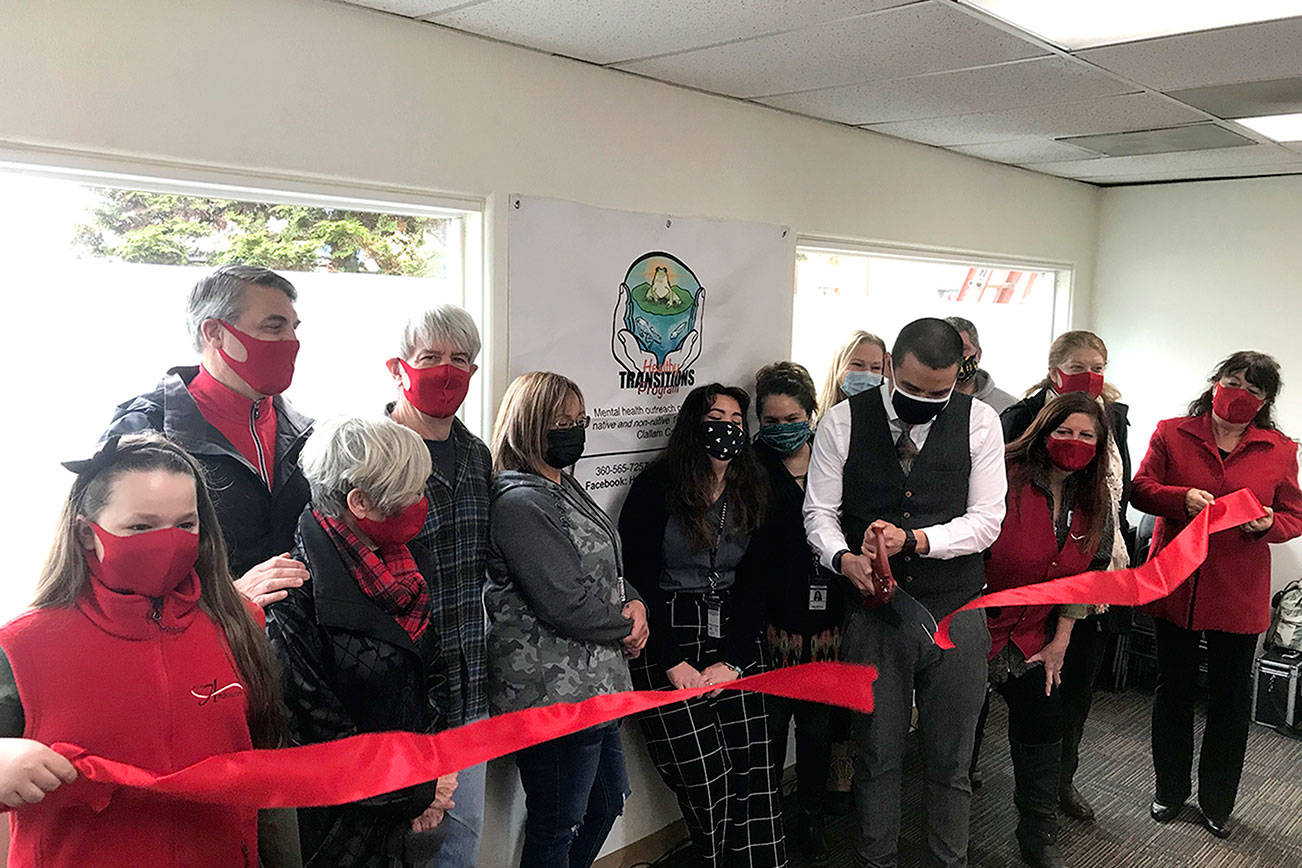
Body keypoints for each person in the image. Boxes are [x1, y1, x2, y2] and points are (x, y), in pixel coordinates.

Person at [0, 433, 293, 866]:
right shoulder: (23, 646)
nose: (169, 541)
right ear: (86, 533)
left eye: (185, 525)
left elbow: (266, 774)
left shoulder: (239, 626)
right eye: (140, 526)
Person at [804, 317, 1006, 868]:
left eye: (939, 393)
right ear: (891, 365)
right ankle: (876, 860)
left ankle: (948, 861)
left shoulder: (981, 422)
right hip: (875, 615)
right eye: (913, 389)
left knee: (950, 761)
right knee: (877, 753)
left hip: (957, 608)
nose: (925, 402)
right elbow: (819, 512)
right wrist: (842, 558)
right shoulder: (843, 422)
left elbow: (987, 521)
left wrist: (916, 540)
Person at [267, 416, 456, 867]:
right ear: (360, 502)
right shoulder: (294, 599)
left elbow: (432, 676)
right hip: (343, 831)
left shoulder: (409, 563)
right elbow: (322, 738)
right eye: (410, 492)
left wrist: (433, 770)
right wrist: (422, 791)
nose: (421, 502)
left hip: (408, 809)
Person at [1133, 351, 1302, 839]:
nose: (1239, 394)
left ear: (1266, 400)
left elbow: (1294, 514)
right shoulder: (1172, 431)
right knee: (1173, 692)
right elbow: (1141, 489)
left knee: (1229, 700)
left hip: (1238, 587)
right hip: (1177, 581)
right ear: (1214, 382)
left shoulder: (1280, 449)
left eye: (1253, 389)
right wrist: (1179, 499)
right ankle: (1168, 790)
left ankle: (1217, 802)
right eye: (1232, 381)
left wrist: (1270, 523)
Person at [485, 371, 649, 868]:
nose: (575, 431)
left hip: (594, 684)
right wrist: (628, 625)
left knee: (604, 803)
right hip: (553, 694)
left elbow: (606, 565)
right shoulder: (520, 501)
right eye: (561, 421)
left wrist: (636, 603)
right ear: (530, 423)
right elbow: (565, 602)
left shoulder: (563, 485)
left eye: (580, 420)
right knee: (557, 825)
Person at [620, 384, 785, 867]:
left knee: (753, 767)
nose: (727, 428)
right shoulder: (658, 486)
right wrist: (672, 662)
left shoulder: (752, 486)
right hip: (666, 634)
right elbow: (638, 578)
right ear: (694, 425)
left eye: (736, 420)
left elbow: (759, 580)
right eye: (716, 417)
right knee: (706, 774)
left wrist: (732, 661)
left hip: (733, 632)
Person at [104, 264, 313, 610]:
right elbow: (114, 573)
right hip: (195, 644)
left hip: (292, 653)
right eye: (273, 327)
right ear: (215, 333)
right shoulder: (146, 432)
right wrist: (231, 598)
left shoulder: (303, 431)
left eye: (293, 327)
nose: (291, 341)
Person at [998, 329, 1132, 821]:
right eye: (1080, 364)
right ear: (1055, 367)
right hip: (1024, 584)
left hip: (1095, 566)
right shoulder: (1021, 417)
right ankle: (976, 778)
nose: (1090, 374)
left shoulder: (1114, 417)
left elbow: (1119, 491)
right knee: (1021, 693)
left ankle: (1061, 783)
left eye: (1100, 365)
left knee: (1074, 690)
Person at [985, 394, 1115, 868]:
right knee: (957, 739)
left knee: (1045, 720)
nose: (1074, 442)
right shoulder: (1001, 474)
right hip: (974, 629)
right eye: (1064, 432)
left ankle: (1038, 835)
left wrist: (1061, 641)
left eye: (1086, 435)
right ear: (1043, 431)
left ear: (1099, 445)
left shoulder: (1094, 497)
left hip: (1035, 637)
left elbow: (1089, 575)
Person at [385, 305, 494, 867]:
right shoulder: (370, 459)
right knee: (398, 843)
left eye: (460, 360)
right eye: (431, 358)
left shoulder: (478, 456)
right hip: (397, 697)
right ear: (399, 368)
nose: (446, 372)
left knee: (460, 841)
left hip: (468, 688)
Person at [753, 361, 842, 866]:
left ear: (812, 414)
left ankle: (810, 816)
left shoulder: (833, 463)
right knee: (768, 731)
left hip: (827, 621)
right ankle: (765, 823)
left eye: (792, 417)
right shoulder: (751, 468)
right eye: (771, 419)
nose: (782, 428)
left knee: (816, 733)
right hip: (773, 623)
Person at [945, 316, 1016, 414]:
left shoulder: (1007, 407)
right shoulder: (926, 401)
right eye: (948, 348)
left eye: (964, 349)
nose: (957, 354)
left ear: (978, 354)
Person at [817, 330, 891, 416]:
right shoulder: (822, 419)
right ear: (839, 366)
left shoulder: (890, 421)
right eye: (858, 364)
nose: (867, 373)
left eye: (876, 367)